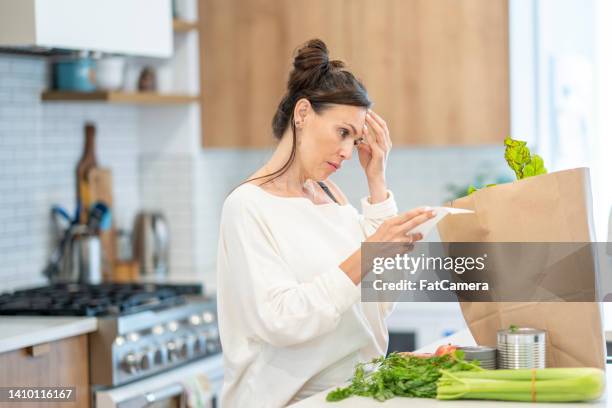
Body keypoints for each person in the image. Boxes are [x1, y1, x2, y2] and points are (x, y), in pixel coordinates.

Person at [216, 38, 435, 407]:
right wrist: (368, 254)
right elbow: (282, 320)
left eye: (357, 139)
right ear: (302, 114)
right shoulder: (247, 206)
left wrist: (377, 182)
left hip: (351, 395)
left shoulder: (331, 197)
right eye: (343, 132)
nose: (349, 152)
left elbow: (378, 303)